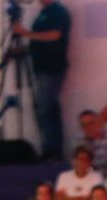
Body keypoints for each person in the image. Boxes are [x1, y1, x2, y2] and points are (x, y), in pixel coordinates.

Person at [13, 0, 71, 161]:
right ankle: (53, 150)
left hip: (52, 69)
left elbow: (55, 35)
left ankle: (52, 150)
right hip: (41, 68)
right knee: (50, 109)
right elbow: (39, 40)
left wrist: (25, 33)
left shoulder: (58, 11)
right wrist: (25, 48)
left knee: (44, 109)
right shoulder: (43, 13)